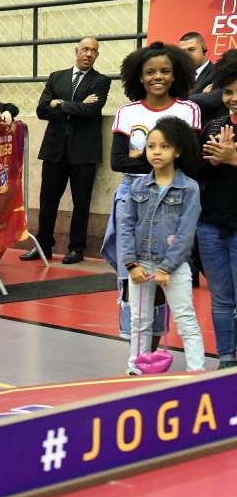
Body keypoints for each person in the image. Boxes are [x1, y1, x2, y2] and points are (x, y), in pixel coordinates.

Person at [101, 42, 200, 351]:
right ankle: (138, 352)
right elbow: (118, 162)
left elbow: (191, 161)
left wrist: (139, 155)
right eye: (150, 72)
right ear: (139, 77)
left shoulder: (188, 110)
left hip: (173, 197)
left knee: (163, 276)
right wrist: (163, 159)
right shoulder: (127, 112)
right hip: (132, 195)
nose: (158, 77)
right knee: (132, 274)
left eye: (165, 71)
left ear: (176, 75)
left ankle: (154, 350)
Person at [117, 117, 204, 375]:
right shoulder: (137, 185)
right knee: (139, 321)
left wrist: (166, 268)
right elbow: (126, 227)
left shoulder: (189, 188)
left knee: (185, 319)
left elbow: (186, 233)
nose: (156, 151)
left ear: (177, 151)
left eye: (164, 146)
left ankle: (196, 373)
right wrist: (131, 264)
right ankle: (136, 369)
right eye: (151, 146)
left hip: (174, 267)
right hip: (140, 264)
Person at [25, 37, 112, 264]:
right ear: (76, 50)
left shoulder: (101, 81)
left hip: (84, 152)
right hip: (55, 150)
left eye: (93, 51)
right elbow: (42, 110)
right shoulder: (56, 77)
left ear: (97, 55)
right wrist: (74, 106)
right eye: (85, 49)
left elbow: (92, 111)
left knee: (81, 202)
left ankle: (77, 248)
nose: (88, 54)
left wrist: (59, 104)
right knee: (47, 201)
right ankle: (43, 245)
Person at [190, 52, 237, 369]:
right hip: (210, 226)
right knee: (220, 299)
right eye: (229, 91)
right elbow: (199, 176)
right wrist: (209, 161)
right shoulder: (215, 126)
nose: (233, 98)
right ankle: (225, 359)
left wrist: (234, 160)